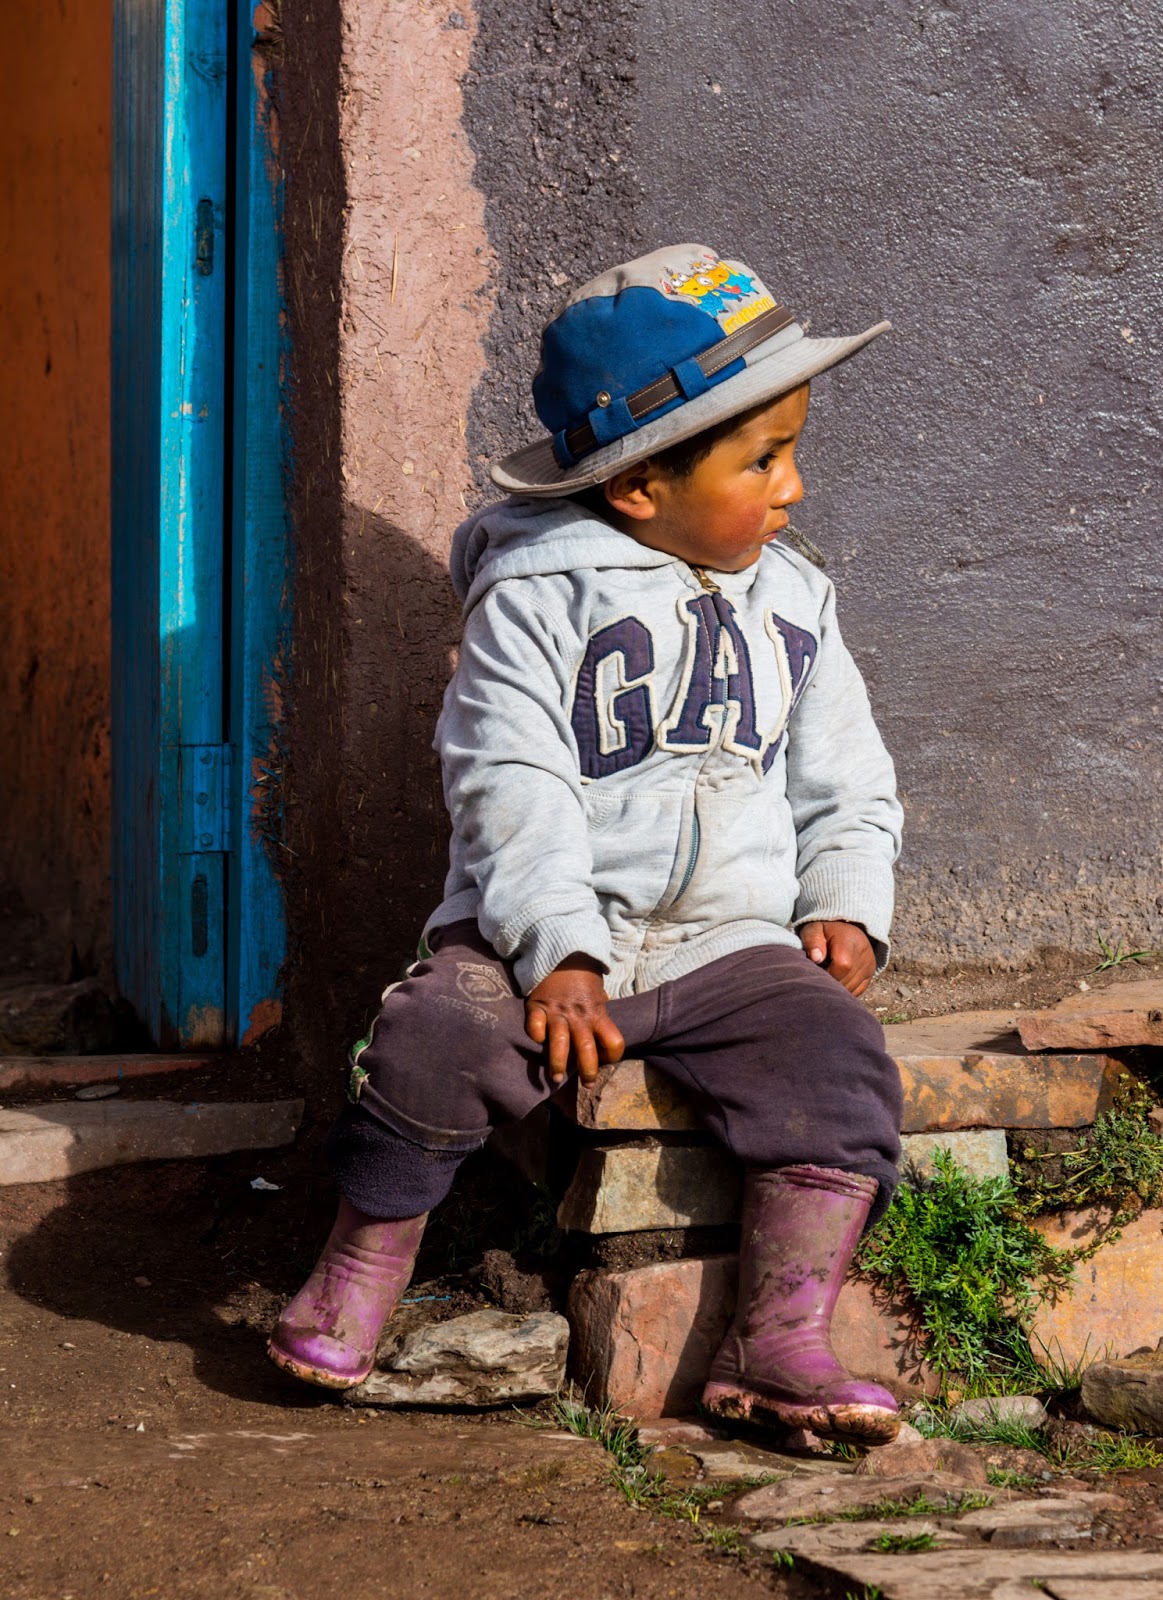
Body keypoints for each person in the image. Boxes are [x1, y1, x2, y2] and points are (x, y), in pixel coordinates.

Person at [269, 244, 906, 1446]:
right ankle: (359, 1268)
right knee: (434, 1035)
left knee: (838, 1061)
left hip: (727, 942)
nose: (792, 487)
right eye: (761, 459)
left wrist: (843, 896)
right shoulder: (534, 595)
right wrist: (556, 947)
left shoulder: (795, 600)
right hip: (542, 939)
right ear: (638, 486)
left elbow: (844, 774)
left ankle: (779, 1334)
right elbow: (507, 779)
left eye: (790, 451)